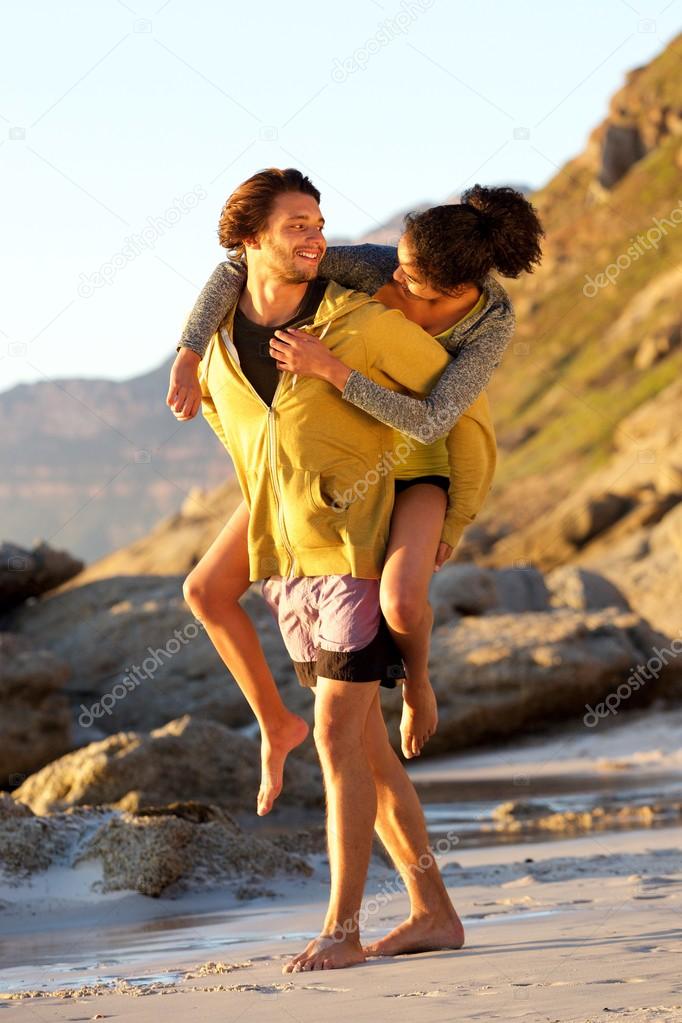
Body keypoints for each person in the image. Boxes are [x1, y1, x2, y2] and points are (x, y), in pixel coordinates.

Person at [185, 166, 484, 971]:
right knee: (368, 753)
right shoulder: (213, 349)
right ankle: (434, 912)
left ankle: (343, 929)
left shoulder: (360, 322)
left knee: (335, 736)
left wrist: (436, 525)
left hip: (359, 547)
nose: (317, 235)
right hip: (292, 559)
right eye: (297, 224)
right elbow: (245, 440)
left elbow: (461, 418)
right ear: (250, 240)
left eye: (320, 220)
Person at [169, 185, 543, 776]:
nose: (392, 274)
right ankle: (278, 724)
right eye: (397, 256)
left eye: (409, 274)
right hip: (337, 464)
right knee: (205, 590)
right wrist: (190, 352)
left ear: (449, 289)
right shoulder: (373, 267)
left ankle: (418, 685)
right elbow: (241, 268)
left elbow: (438, 421)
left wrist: (333, 372)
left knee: (398, 600)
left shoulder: (490, 323)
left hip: (419, 464)